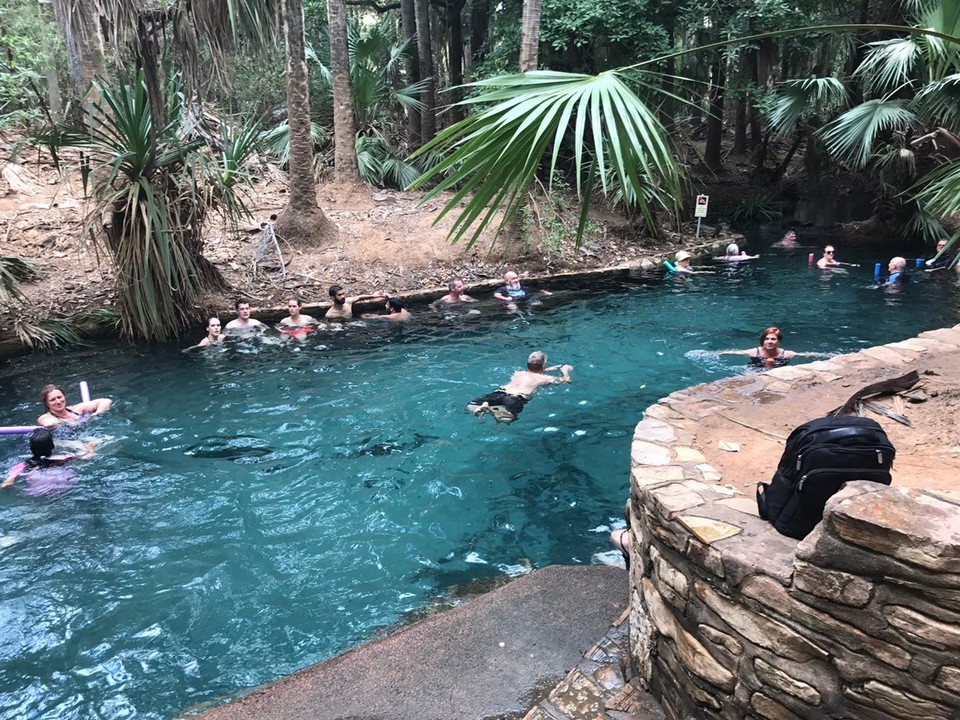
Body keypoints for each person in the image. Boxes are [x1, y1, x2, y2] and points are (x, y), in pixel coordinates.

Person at [466, 350, 572, 423]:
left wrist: (546, 369)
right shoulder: (546, 379)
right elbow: (567, 381)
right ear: (543, 366)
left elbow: (533, 373)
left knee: (471, 406)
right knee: (508, 419)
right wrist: (565, 370)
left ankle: (485, 406)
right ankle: (491, 410)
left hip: (499, 392)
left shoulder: (518, 373)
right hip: (516, 398)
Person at [2, 428, 96, 493]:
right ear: (53, 446)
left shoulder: (23, 465)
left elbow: (7, 483)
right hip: (65, 488)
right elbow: (88, 457)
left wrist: (12, 487)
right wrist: (90, 447)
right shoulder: (64, 458)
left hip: (37, 491)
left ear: (30, 448)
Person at [718, 327, 823, 369]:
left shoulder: (786, 354)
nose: (769, 342)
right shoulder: (754, 352)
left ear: (779, 341)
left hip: (778, 371)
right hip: (756, 370)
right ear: (763, 340)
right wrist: (718, 353)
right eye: (767, 339)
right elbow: (734, 352)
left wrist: (826, 356)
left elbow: (806, 355)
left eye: (773, 339)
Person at [37, 384, 112, 428]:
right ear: (47, 403)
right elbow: (49, 424)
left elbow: (106, 401)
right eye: (52, 400)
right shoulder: (45, 417)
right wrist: (70, 423)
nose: (58, 401)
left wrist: (96, 415)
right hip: (64, 441)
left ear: (64, 397)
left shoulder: (76, 409)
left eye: (59, 397)